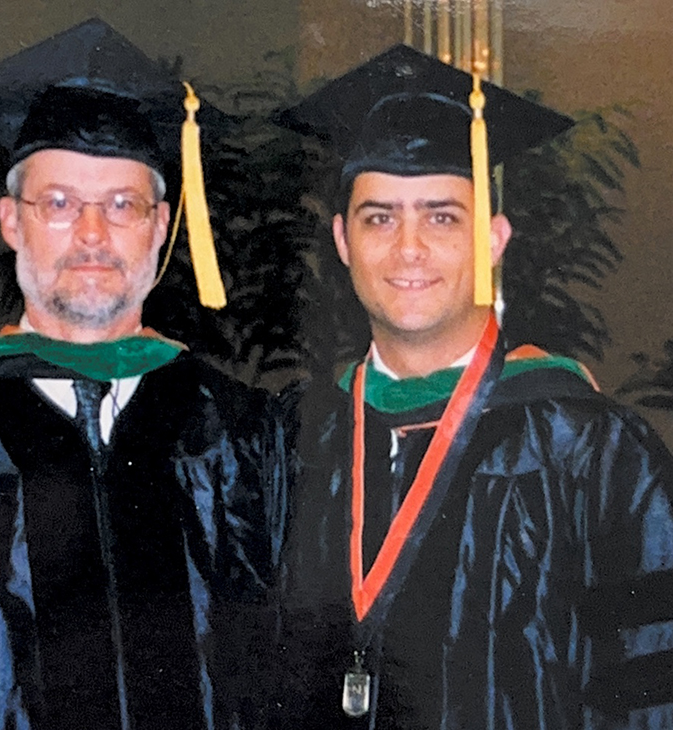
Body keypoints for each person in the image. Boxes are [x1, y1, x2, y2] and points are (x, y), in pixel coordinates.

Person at [275, 45, 673, 729]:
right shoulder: (295, 436)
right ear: (341, 240)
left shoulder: (590, 447)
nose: (408, 249)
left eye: (441, 216)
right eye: (379, 217)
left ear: (494, 238)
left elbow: (651, 687)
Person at [0, 19, 284, 730]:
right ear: (11, 222)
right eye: (60, 204)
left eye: (122, 205)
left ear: (160, 226)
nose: (93, 234)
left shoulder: (243, 431)